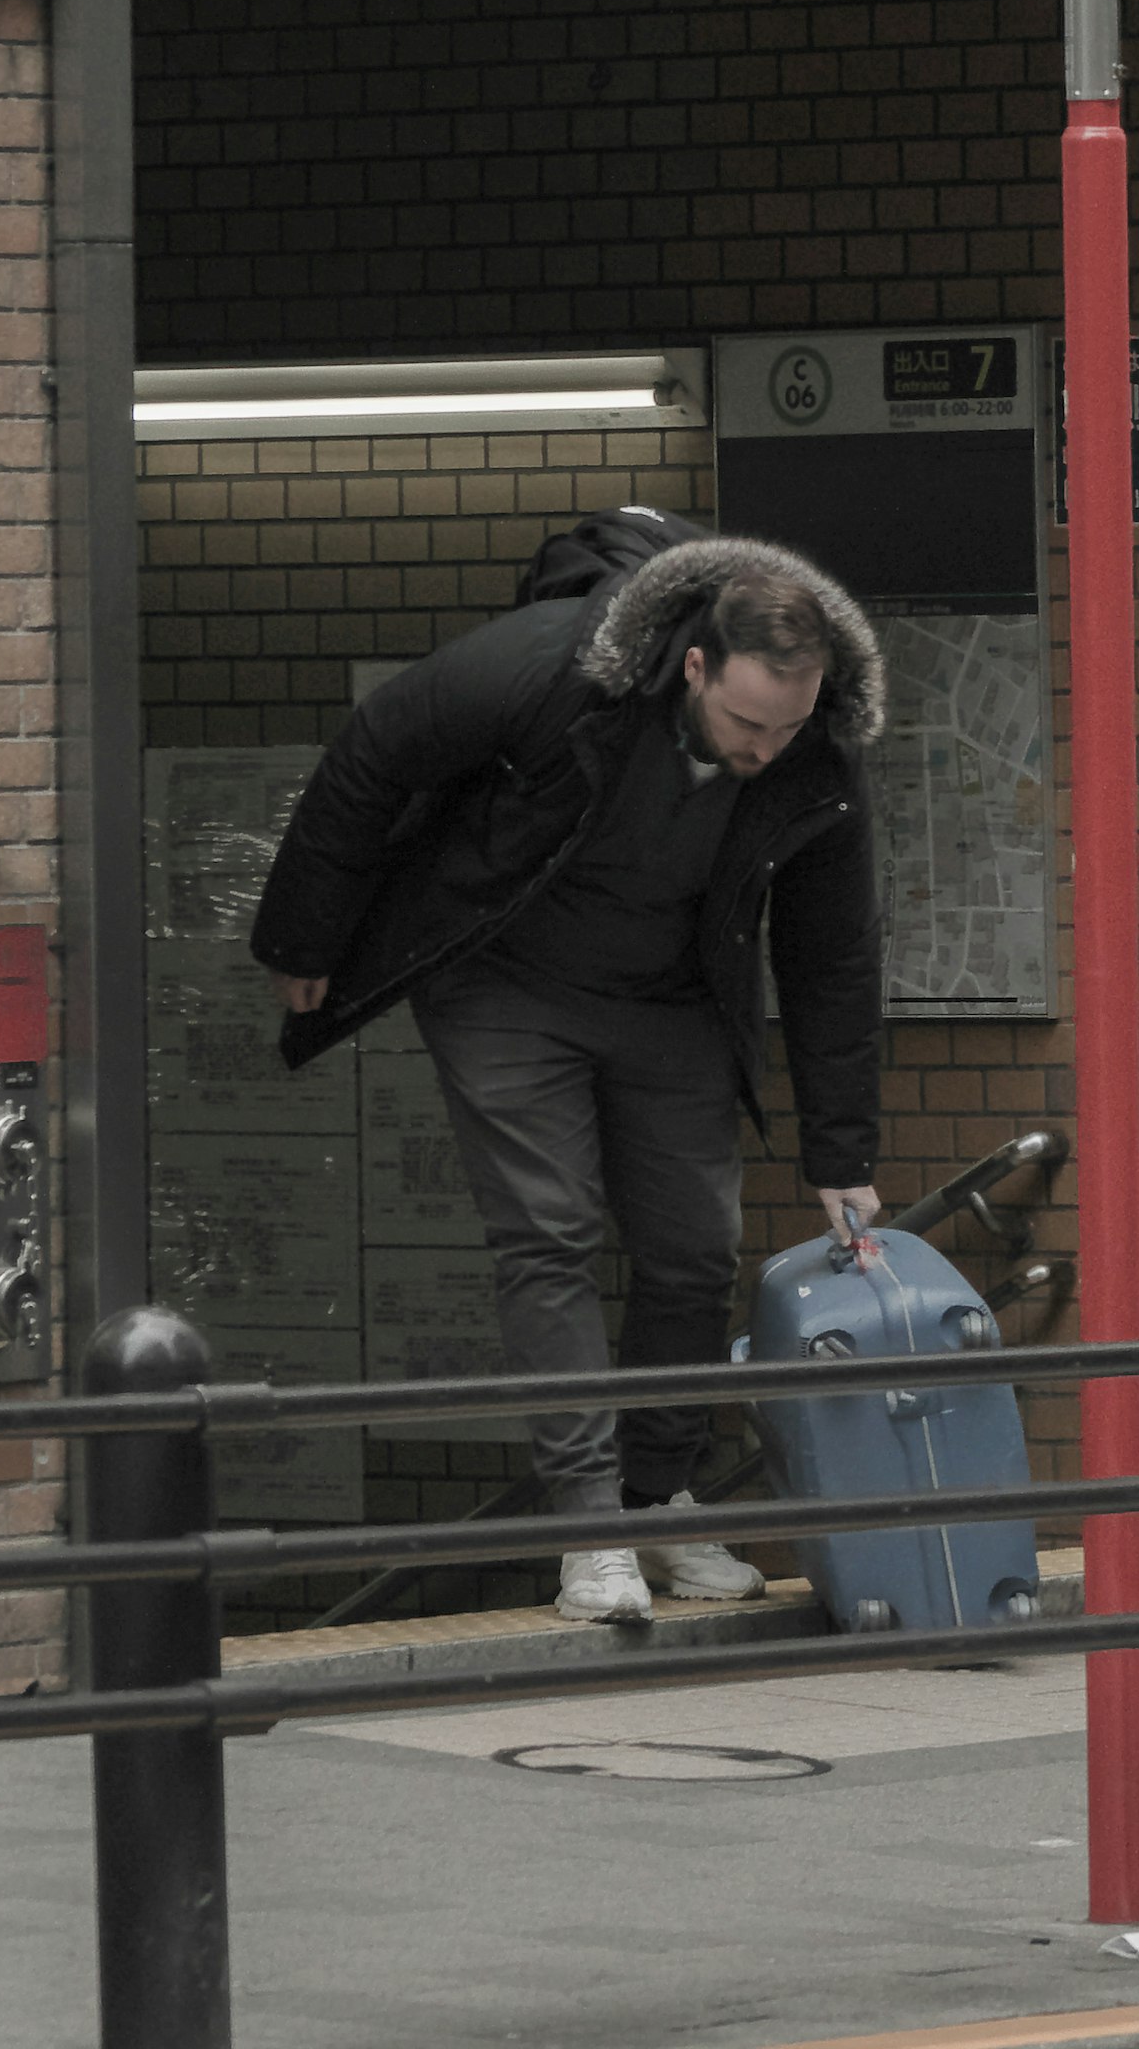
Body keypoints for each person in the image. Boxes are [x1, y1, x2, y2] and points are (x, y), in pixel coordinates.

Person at [252, 537, 885, 1626]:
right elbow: (376, 753)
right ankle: (589, 1526)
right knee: (550, 1229)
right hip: (504, 978)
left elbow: (832, 953)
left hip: (670, 998)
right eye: (746, 725)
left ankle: (659, 1497)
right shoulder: (552, 667)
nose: (765, 750)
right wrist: (305, 936)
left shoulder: (814, 754)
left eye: (786, 727)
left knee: (693, 1246)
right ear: (693, 666)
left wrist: (842, 1152)